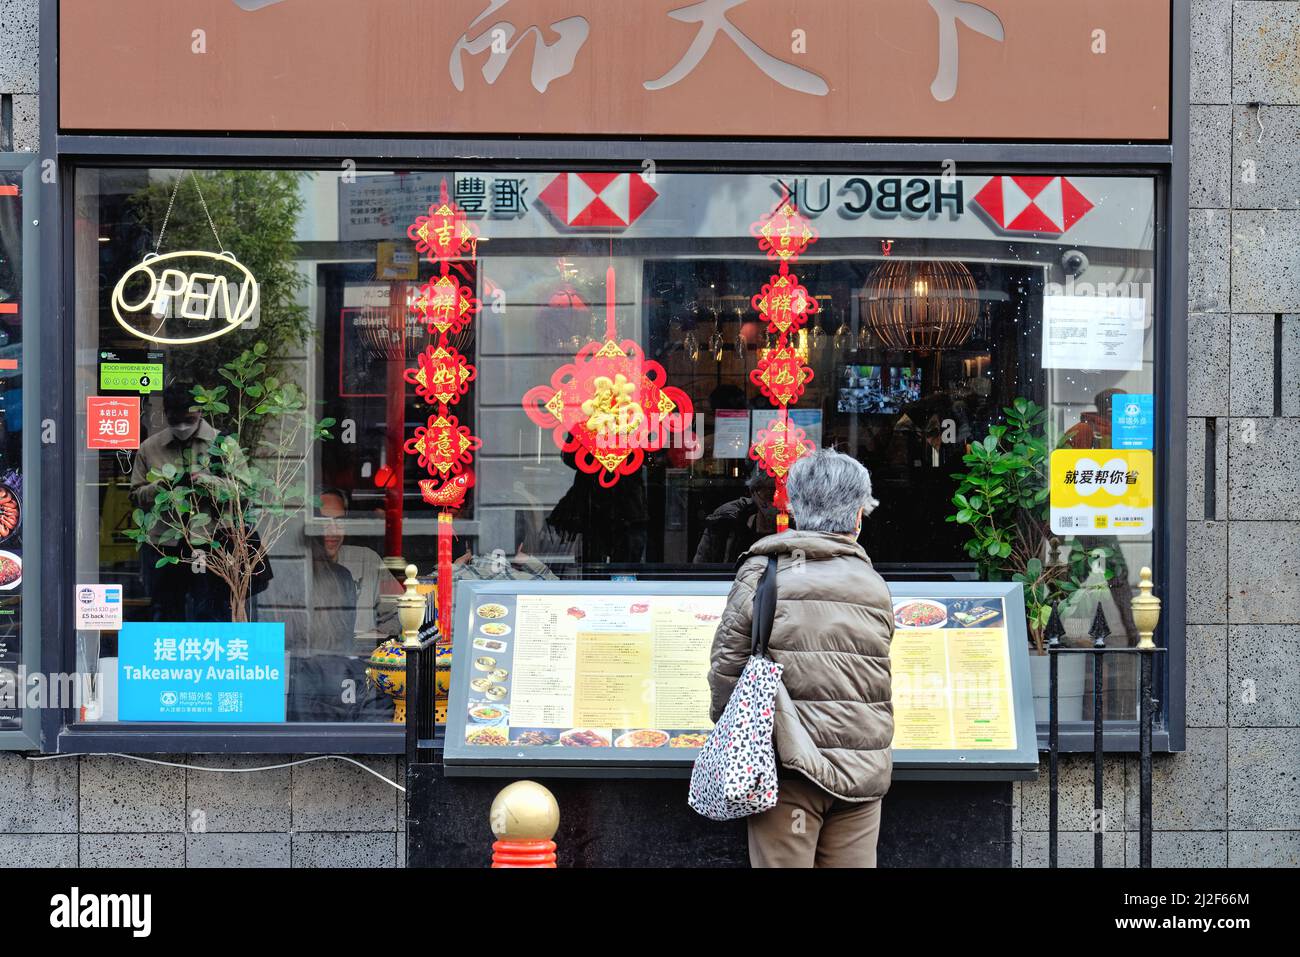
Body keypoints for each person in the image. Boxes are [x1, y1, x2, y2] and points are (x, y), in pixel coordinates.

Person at [707, 447, 895, 868]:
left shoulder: (763, 572)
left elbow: (727, 670)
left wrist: (738, 737)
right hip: (863, 771)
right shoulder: (873, 583)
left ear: (791, 508)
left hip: (788, 773)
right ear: (859, 516)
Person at [693, 467, 779, 564]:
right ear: (754, 494)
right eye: (770, 495)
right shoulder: (724, 522)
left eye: (785, 496)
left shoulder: (797, 530)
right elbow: (701, 569)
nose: (776, 504)